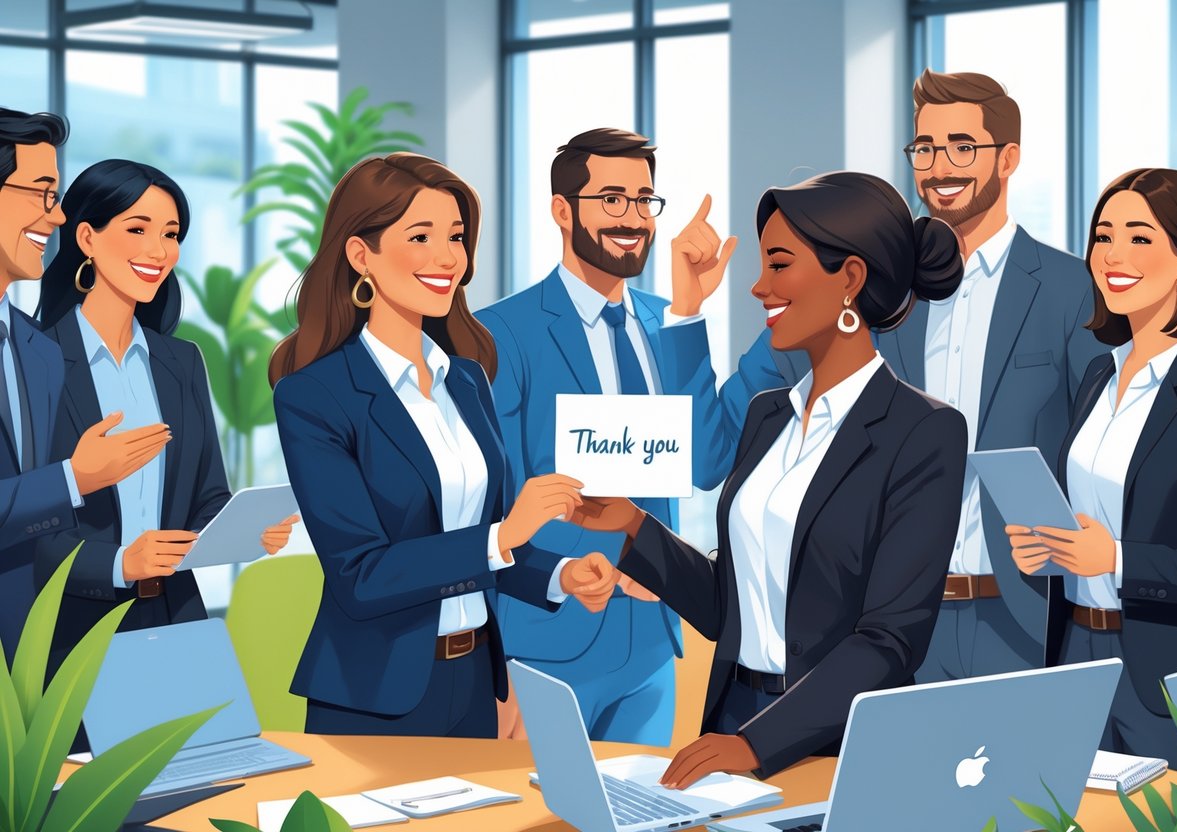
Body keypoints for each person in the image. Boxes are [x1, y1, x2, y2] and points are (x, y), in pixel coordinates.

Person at [567, 171, 969, 782]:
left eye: (780, 266)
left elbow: (890, 640)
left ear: (851, 280)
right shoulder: (767, 416)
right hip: (731, 721)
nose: (759, 287)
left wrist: (758, 745)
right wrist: (632, 528)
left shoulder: (923, 431)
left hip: (834, 743)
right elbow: (731, 604)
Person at [724, 70, 1107, 681]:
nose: (939, 165)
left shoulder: (1069, 289)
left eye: (962, 146)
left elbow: (1111, 446)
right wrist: (686, 315)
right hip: (883, 627)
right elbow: (719, 439)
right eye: (925, 148)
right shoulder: (868, 282)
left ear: (1008, 159)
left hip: (1021, 620)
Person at [271, 152, 606, 737]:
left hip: (474, 680)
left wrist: (561, 575)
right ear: (360, 255)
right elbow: (361, 574)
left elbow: (484, 542)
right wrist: (505, 535)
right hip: (373, 698)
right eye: (420, 236)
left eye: (456, 236)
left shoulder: (467, 380)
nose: (447, 257)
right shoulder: (315, 396)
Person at [475, 127, 738, 745]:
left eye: (645, 200)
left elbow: (704, 464)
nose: (634, 218)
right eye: (612, 199)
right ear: (561, 211)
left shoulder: (666, 323)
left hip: (649, 644)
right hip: (545, 644)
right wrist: (499, 669)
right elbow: (486, 505)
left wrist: (689, 315)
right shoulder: (500, 335)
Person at [34, 159, 298, 672]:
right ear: (86, 237)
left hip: (177, 619)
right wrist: (118, 562)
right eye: (138, 229)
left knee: (208, 754)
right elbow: (21, 525)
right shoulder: (35, 362)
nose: (159, 252)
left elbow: (207, 497)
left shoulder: (181, 362)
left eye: (171, 234)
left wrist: (243, 533)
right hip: (76, 634)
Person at [1007, 168, 1177, 766]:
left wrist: (1118, 559)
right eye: (1103, 236)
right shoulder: (1100, 374)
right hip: (1075, 655)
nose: (1113, 255)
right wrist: (1048, 549)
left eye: (1140, 238)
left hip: (1166, 678)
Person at [0, 109, 170, 664]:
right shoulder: (59, 349)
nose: (56, 215)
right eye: (42, 193)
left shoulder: (35, 351)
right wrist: (75, 478)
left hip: (36, 659)